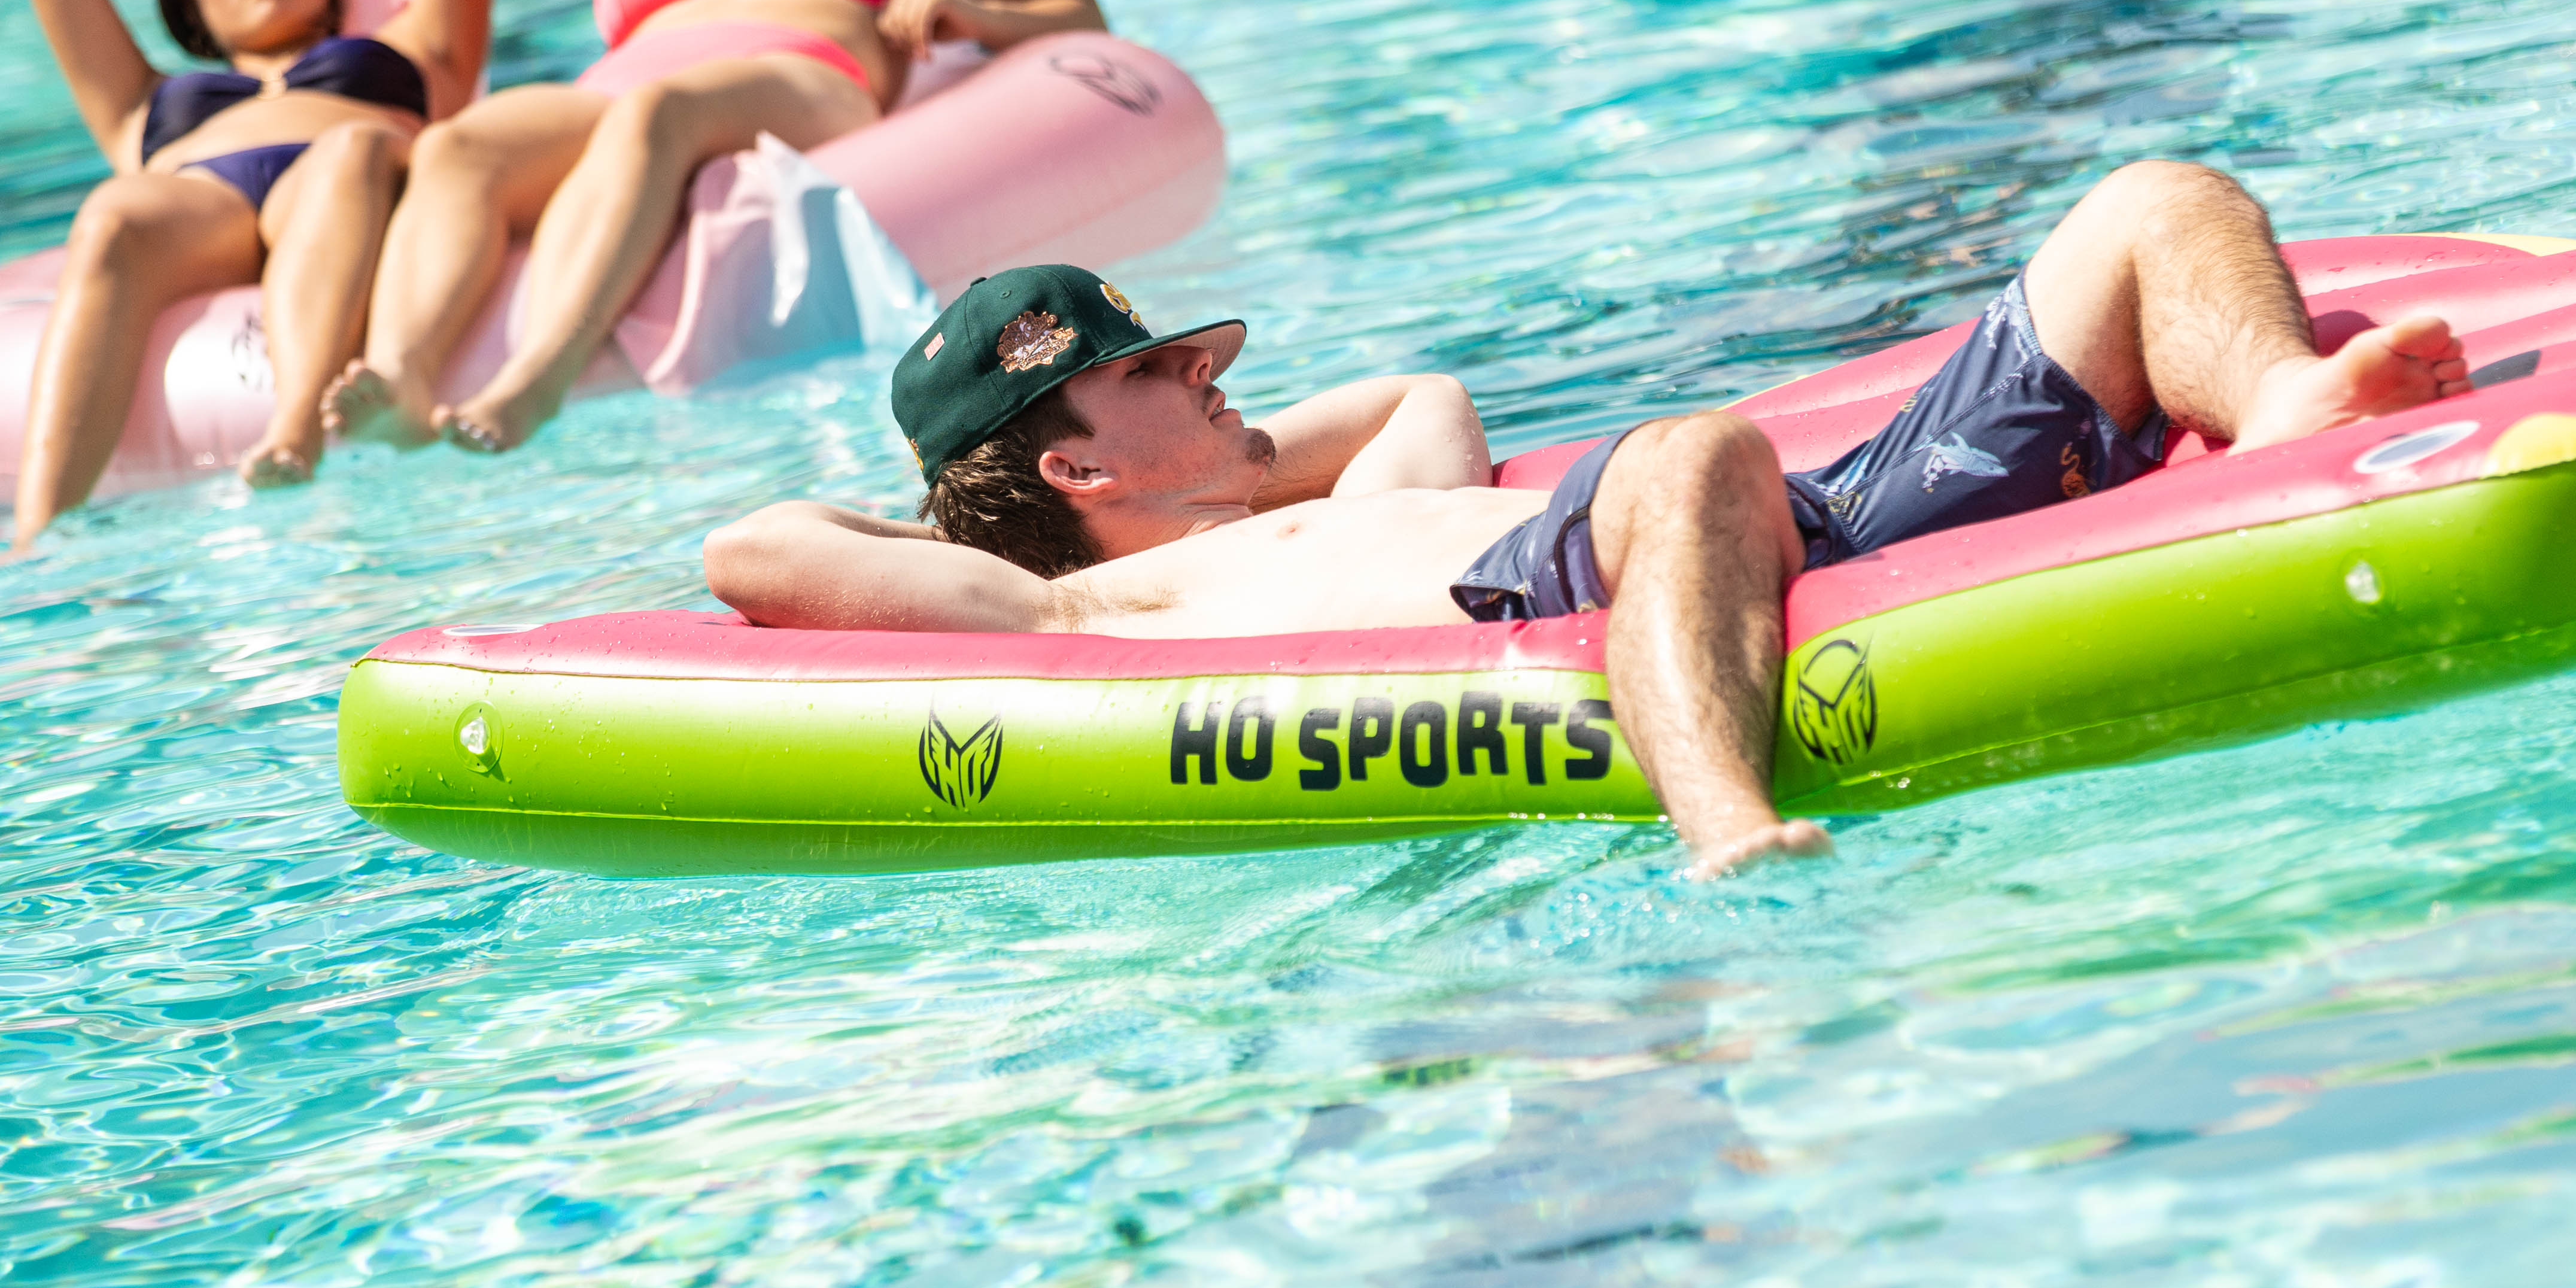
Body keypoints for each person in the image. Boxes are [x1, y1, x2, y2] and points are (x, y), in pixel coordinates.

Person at [703, 162, 2475, 876]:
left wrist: (1203, 454)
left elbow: (1421, 400)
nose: (1224, 376)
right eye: (1166, 372)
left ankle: (2284, 406)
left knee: (2150, 208)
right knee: (1689, 450)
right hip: (1601, 559)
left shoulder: (1336, 499)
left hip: (1806, 518)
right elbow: (759, 550)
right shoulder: (1093, 626)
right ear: (1072, 468)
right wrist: (1010, 516)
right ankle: (1722, 815)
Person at [322, 0, 1099, 457]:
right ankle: (403, 380)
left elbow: (1075, 9)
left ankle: (536, 380)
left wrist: (972, 11)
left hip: (804, 71)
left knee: (662, 111)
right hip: (617, 92)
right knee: (461, 144)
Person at [0, 0, 504, 546]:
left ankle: (296, 427)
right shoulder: (139, 104)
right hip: (206, 213)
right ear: (190, 1)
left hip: (346, 179)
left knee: (352, 150)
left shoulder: (419, 50)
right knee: (111, 214)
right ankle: (35, 540)